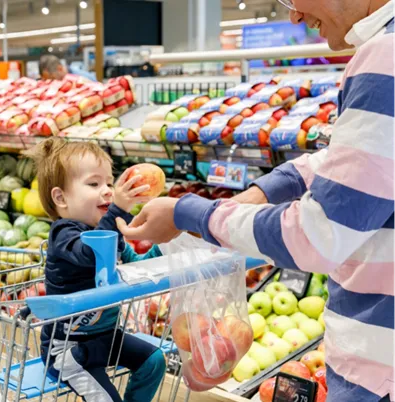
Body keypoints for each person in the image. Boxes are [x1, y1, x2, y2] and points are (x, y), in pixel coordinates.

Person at [118, 1, 395, 401]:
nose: (294, 15)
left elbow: (318, 235)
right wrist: (265, 190)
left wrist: (189, 213)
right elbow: (355, 160)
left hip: (380, 371)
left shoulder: (385, 57)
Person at [24, 137, 167, 402]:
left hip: (107, 338)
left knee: (154, 361)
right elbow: (89, 254)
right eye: (94, 184)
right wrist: (118, 211)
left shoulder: (110, 232)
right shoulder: (64, 234)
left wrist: (168, 243)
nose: (108, 191)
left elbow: (139, 265)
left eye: (109, 183)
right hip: (69, 350)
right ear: (61, 197)